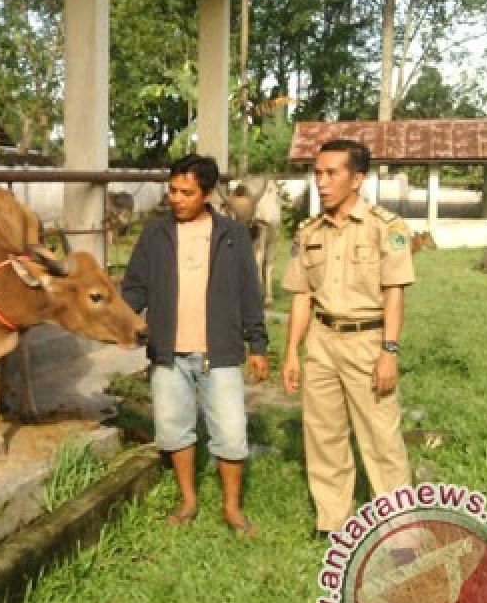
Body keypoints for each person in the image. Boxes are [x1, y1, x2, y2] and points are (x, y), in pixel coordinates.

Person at [122, 154, 270, 536]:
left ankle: (232, 508)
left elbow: (248, 294)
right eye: (172, 191)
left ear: (206, 194)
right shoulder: (155, 234)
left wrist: (257, 345)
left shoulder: (232, 236)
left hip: (218, 352)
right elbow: (135, 287)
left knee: (232, 433)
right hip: (168, 352)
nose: (176, 199)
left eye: (186, 193)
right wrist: (120, 317)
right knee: (173, 430)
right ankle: (188, 500)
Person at [281, 138, 415, 539]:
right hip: (321, 340)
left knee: (381, 439)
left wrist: (389, 352)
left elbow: (395, 293)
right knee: (323, 435)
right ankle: (332, 521)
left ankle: (398, 528)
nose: (321, 182)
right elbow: (302, 296)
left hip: (367, 341)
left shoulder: (386, 227)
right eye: (318, 173)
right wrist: (291, 354)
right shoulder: (309, 232)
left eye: (331, 173)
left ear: (357, 178)